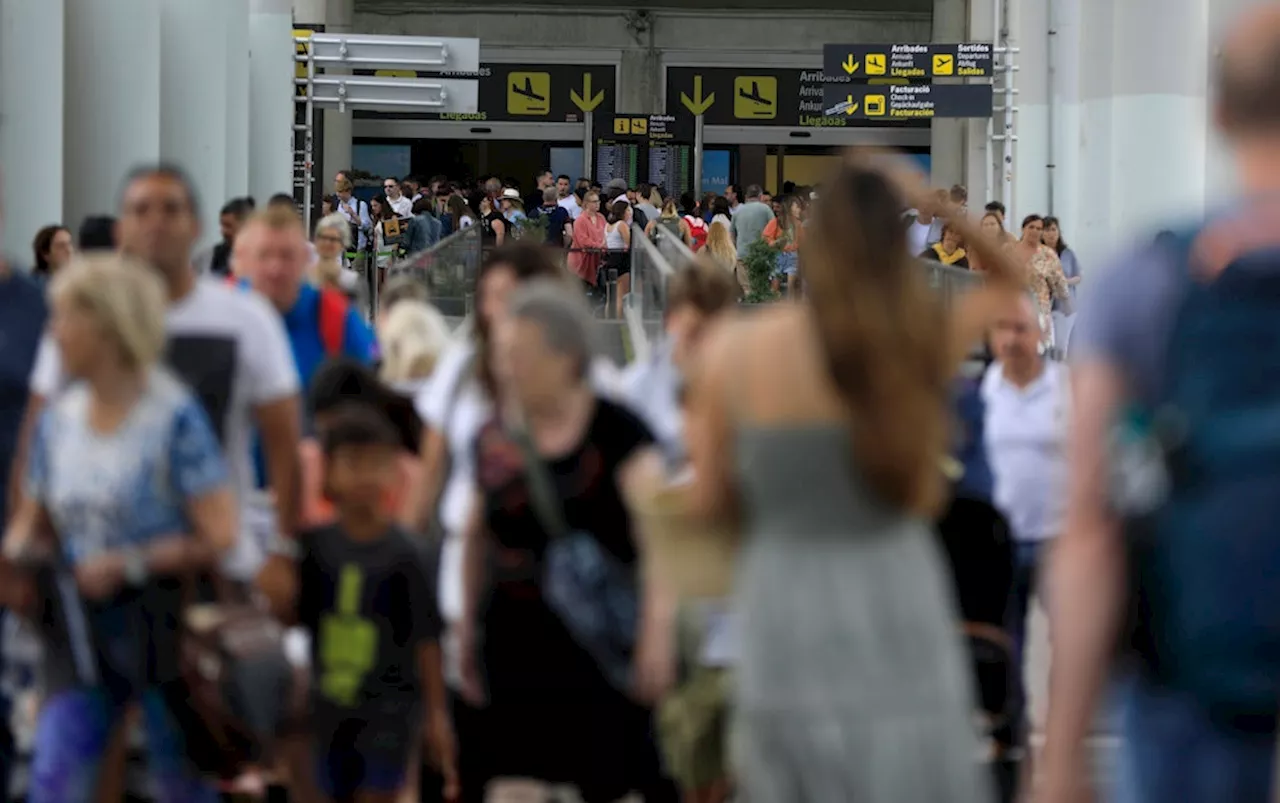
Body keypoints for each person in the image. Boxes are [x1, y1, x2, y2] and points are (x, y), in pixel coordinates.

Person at [684, 155, 1023, 802]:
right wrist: (938, 203)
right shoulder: (910, 342)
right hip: (897, 598)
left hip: (784, 601)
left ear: (812, 238)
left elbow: (710, 504)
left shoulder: (734, 350)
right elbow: (1008, 279)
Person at [1040, 8, 1280, 801]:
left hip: (1193, 677)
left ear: (1216, 115)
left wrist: (1064, 750)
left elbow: (1093, 524)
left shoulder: (1150, 280)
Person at [4, 254, 236, 803]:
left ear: (106, 325)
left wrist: (129, 563)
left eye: (64, 319)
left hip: (163, 630)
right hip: (77, 633)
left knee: (181, 787)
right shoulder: (60, 421)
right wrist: (16, 555)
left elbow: (219, 534)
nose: (53, 333)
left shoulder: (173, 416)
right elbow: (33, 521)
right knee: (57, 782)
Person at [20, 165, 302, 586]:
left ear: (197, 226)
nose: (155, 223)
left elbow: (285, 442)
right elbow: (37, 438)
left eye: (171, 210)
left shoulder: (245, 320)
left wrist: (283, 548)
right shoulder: (79, 317)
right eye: (140, 210)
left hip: (216, 568)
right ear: (121, 229)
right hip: (87, 575)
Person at [456, 281, 672, 803]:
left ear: (567, 356)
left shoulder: (619, 432)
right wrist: (463, 629)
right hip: (511, 649)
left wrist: (658, 632)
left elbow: (663, 541)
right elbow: (474, 533)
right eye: (503, 354)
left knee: (609, 782)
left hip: (599, 656)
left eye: (520, 355)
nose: (507, 367)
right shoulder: (492, 437)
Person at [257, 403, 454, 803]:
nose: (365, 475)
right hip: (327, 714)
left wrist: (436, 714)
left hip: (390, 715)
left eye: (376, 463)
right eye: (352, 462)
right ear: (327, 473)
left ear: (394, 473)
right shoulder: (313, 549)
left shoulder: (407, 554)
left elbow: (426, 638)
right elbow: (292, 616)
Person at [980, 293, 1068, 752]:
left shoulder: (1065, 389)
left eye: (1021, 330)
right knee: (1007, 641)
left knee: (1067, 640)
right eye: (1003, 330)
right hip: (1005, 540)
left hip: (1058, 538)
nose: (1012, 340)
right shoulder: (984, 390)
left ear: (1039, 335)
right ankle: (1011, 730)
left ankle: (1063, 729)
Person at [193, 197, 255, 278]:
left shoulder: (261, 259)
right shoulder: (211, 256)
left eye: (228, 226)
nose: (223, 231)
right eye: (222, 225)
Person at [568, 191, 606, 287]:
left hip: (597, 260)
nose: (597, 204)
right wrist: (599, 245)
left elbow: (606, 234)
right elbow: (583, 241)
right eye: (594, 201)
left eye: (598, 201)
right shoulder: (580, 220)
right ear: (586, 203)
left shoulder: (601, 218)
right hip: (581, 261)